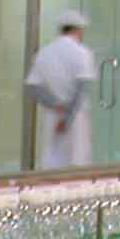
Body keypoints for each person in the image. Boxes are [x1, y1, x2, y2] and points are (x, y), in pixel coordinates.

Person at [24, 10, 97, 170]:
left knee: (53, 163)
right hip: (76, 118)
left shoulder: (44, 53)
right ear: (78, 30)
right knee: (77, 162)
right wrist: (67, 118)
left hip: (53, 115)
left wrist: (54, 104)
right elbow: (81, 88)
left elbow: (33, 87)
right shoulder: (83, 53)